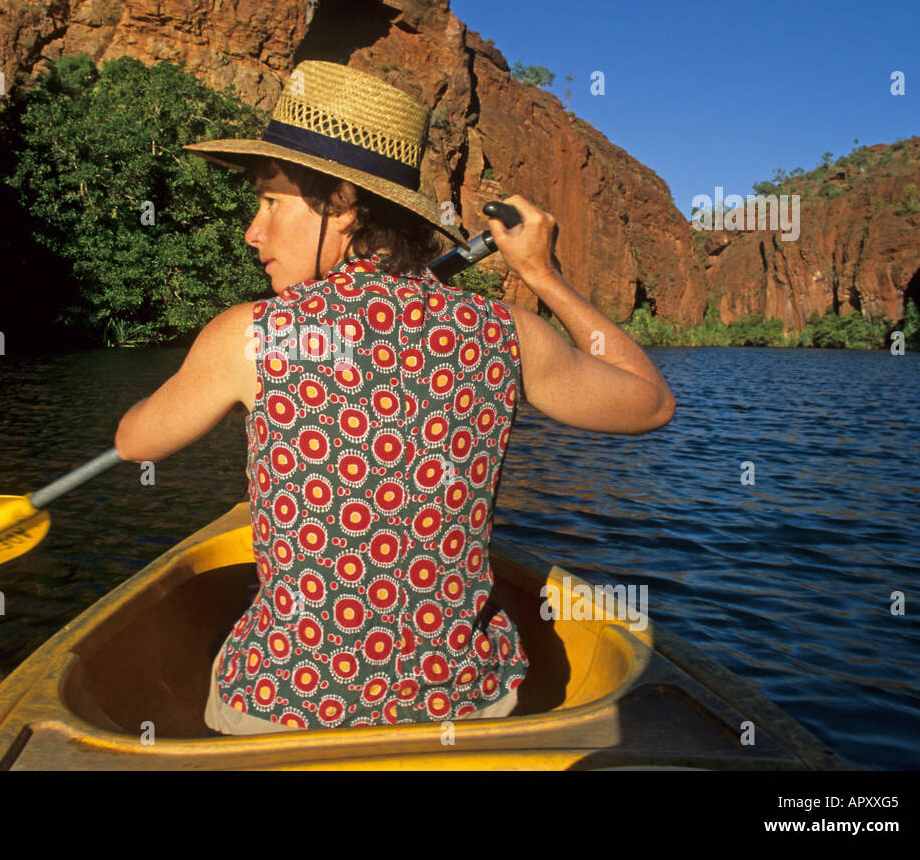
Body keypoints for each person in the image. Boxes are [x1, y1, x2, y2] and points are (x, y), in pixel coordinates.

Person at [114, 60, 675, 733]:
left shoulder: (250, 336)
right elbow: (650, 400)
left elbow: (133, 440)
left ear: (341, 201)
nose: (250, 231)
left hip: (282, 710)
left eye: (269, 202)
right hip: (466, 703)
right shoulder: (504, 333)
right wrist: (542, 275)